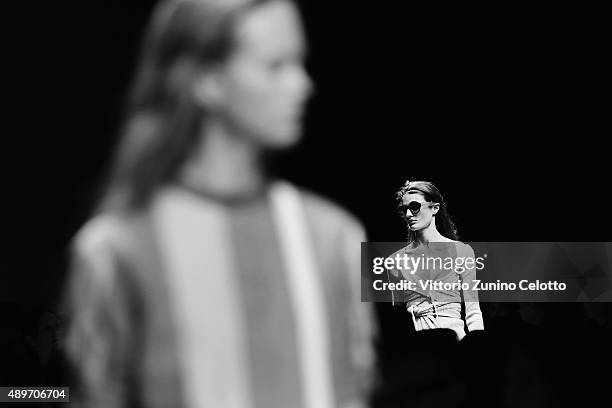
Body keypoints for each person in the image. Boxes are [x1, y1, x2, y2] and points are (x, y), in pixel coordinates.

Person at [61, 1, 376, 407]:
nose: (302, 85)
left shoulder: (334, 238)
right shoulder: (119, 249)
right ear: (208, 81)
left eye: (299, 62)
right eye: (276, 65)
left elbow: (352, 392)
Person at [387, 180, 484, 341]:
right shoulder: (395, 260)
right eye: (404, 209)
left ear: (435, 208)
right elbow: (397, 318)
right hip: (417, 344)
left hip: (454, 341)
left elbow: (473, 310)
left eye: (415, 207)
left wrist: (478, 348)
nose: (409, 214)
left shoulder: (461, 251)